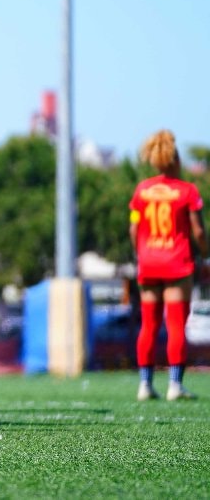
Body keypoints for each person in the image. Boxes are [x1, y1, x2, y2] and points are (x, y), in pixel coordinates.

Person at [130, 129, 206, 401]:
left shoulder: (142, 190)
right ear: (176, 160)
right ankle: (175, 385)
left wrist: (141, 253)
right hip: (177, 264)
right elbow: (198, 231)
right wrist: (205, 253)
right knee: (175, 325)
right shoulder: (188, 191)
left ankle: (145, 384)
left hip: (149, 263)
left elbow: (134, 227)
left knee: (148, 325)